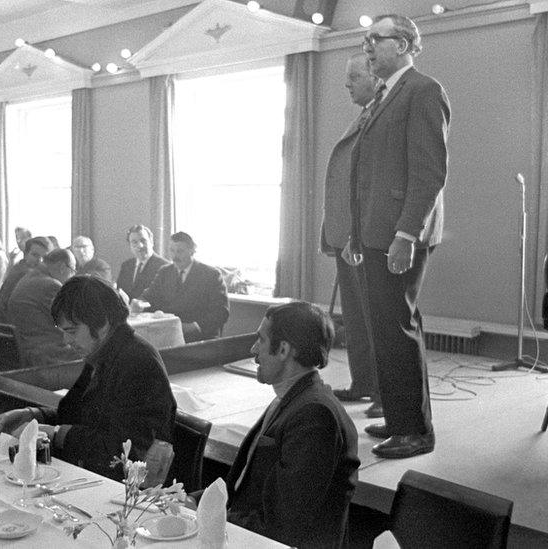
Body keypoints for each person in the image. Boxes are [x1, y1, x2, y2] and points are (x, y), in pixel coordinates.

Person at [348, 14, 450, 459]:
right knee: (386, 330)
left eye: (378, 38)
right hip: (375, 233)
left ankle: (415, 432)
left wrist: (407, 233)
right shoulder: (385, 96)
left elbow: (429, 171)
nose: (368, 45)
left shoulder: (423, 90)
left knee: (397, 330)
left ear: (405, 43)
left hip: (400, 234)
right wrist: (356, 232)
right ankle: (400, 415)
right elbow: (367, 175)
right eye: (367, 38)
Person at [0, 276, 176, 481]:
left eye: (72, 331)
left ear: (102, 324)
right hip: (95, 475)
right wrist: (33, 416)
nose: (66, 341)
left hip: (127, 488)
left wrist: (54, 433)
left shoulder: (138, 362)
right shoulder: (104, 352)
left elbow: (122, 451)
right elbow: (76, 414)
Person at [222, 301, 359, 548]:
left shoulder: (316, 415)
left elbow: (284, 525)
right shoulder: (295, 399)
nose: (254, 350)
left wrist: (213, 519)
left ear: (284, 349)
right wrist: (192, 504)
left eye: (261, 340)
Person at [320, 52, 382, 419]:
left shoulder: (381, 115)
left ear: (375, 78)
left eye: (354, 77)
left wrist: (357, 233)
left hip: (366, 235)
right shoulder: (364, 114)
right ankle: (363, 383)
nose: (346, 84)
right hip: (348, 235)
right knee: (356, 317)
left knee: (377, 320)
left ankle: (384, 394)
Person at [134, 232, 229, 343]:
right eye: (172, 251)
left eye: (180, 251)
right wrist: (139, 303)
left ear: (192, 251)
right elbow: (149, 296)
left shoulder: (211, 274)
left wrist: (193, 326)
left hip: (200, 338)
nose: (174, 257)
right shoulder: (165, 271)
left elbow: (221, 312)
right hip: (169, 335)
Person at [7, 249, 81, 368]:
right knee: (97, 355)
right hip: (49, 352)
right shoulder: (51, 285)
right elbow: (72, 320)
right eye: (72, 270)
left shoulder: (32, 276)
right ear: (62, 267)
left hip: (31, 347)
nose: (72, 276)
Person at [0, 236, 52, 323]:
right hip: (12, 330)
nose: (40, 261)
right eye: (35, 255)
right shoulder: (28, 275)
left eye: (45, 258)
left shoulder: (18, 267)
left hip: (0, 327)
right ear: (25, 255)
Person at [116, 225, 170, 300]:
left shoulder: (165, 266)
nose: (140, 246)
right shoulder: (126, 266)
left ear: (152, 242)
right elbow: (120, 292)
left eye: (143, 241)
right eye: (134, 242)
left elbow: (164, 297)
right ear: (130, 246)